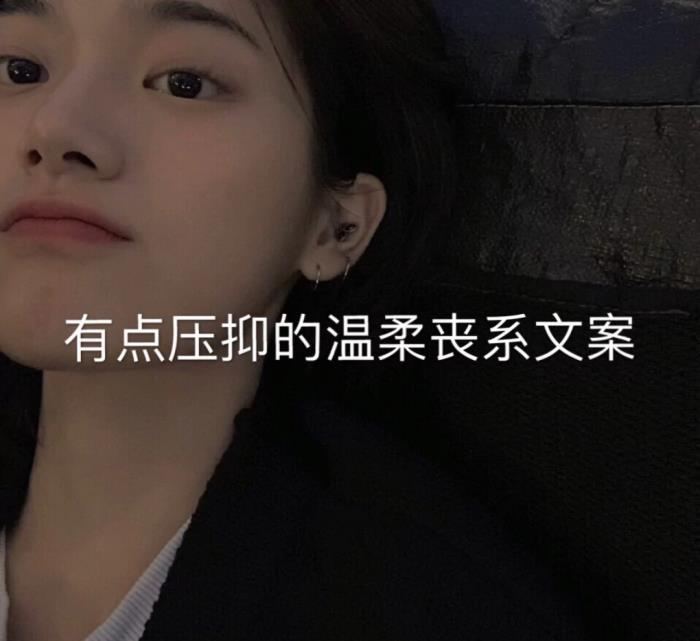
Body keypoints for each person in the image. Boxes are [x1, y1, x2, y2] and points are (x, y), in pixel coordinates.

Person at [0, 1, 592, 639]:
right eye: (20, 69)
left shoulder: (436, 611)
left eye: (185, 83)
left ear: (337, 227)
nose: (54, 127)